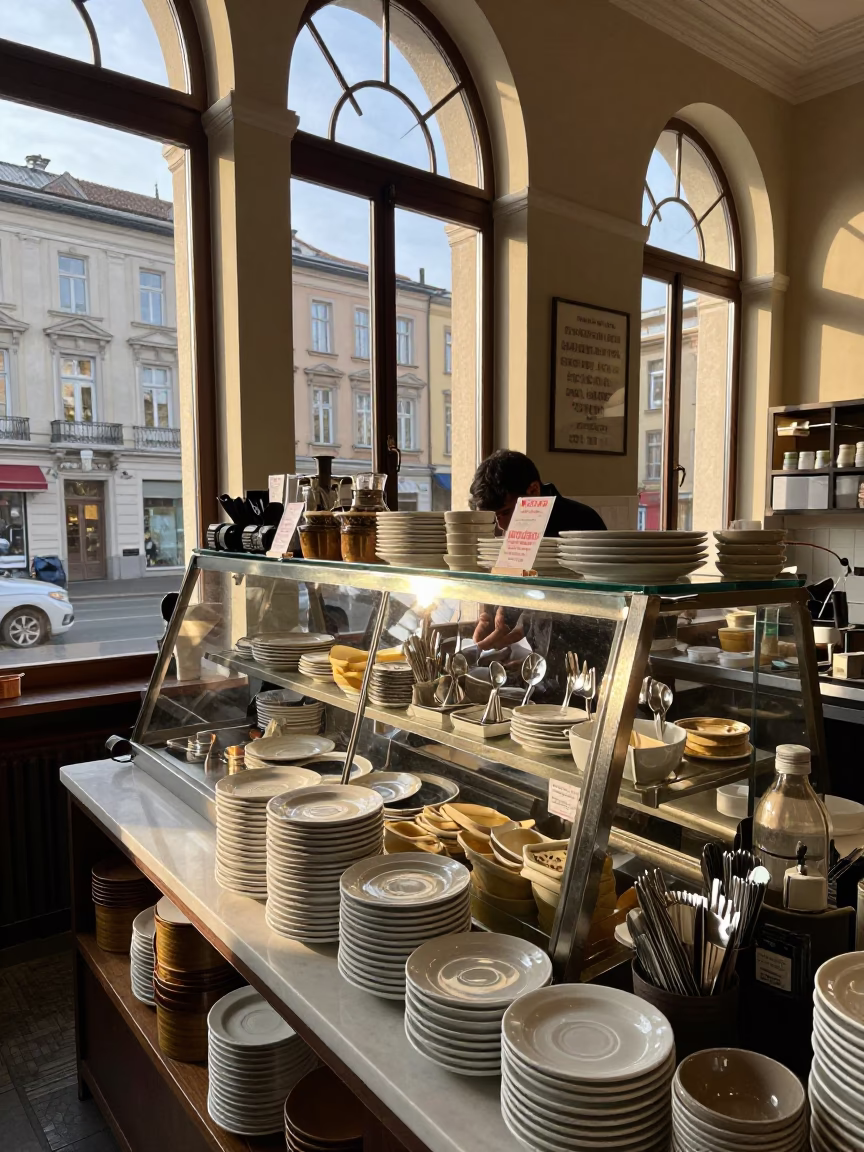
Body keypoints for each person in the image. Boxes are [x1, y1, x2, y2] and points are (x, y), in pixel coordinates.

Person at [468, 449, 606, 534]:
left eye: (506, 512)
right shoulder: (491, 528)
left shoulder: (583, 522)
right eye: (494, 517)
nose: (502, 526)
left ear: (534, 490)